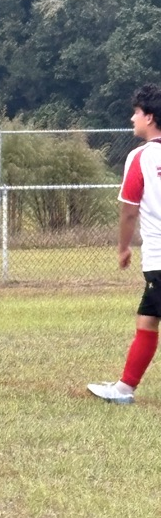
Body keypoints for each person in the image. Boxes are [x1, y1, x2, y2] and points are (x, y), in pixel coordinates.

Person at [88, 83, 161, 405]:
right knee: (147, 318)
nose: (132, 118)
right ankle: (123, 389)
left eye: (136, 113)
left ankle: (123, 390)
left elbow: (128, 211)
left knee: (149, 317)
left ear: (149, 117)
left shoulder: (141, 157)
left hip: (159, 259)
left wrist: (122, 248)